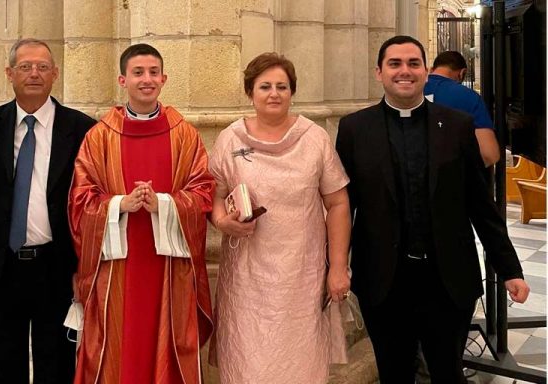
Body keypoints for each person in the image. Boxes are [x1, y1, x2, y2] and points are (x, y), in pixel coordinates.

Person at [335, 35, 530, 383]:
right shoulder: (353, 129)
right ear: (379, 72)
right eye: (395, 64)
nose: (404, 71)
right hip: (383, 281)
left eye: (413, 63)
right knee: (394, 374)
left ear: (426, 71)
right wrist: (333, 267)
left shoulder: (457, 125)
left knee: (448, 373)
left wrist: (509, 268)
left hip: (447, 280)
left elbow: (480, 205)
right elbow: (342, 205)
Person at [68, 43, 214, 384]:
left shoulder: (184, 135)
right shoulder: (99, 137)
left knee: (162, 341)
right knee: (119, 344)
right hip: (117, 266)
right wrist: (120, 204)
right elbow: (79, 200)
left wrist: (163, 204)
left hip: (168, 267)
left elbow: (203, 191)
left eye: (153, 73)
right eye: (138, 73)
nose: (146, 80)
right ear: (123, 80)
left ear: (164, 78)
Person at [0, 39, 94, 383]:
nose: (34, 73)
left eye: (43, 67)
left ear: (55, 74)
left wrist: (86, 270)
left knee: (58, 365)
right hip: (0, 269)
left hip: (57, 269)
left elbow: (91, 206)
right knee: (3, 366)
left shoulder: (82, 129)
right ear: (9, 74)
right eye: (25, 67)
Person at [208, 52, 352, 384]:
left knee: (298, 366)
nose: (274, 93)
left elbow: (338, 203)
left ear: (292, 92)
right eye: (265, 86)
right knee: (248, 366)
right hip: (246, 281)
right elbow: (213, 196)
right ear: (250, 92)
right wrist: (221, 221)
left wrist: (338, 266)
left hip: (301, 277)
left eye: (282, 87)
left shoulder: (313, 138)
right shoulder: (231, 139)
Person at [424, 50, 499, 166]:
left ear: (432, 69)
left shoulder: (410, 92)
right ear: (462, 73)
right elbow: (489, 155)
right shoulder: (469, 97)